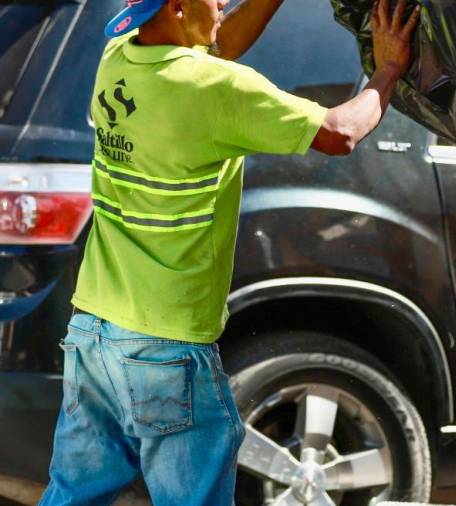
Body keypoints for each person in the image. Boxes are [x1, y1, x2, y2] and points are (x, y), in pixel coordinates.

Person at [40, 0, 419, 504]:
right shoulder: (213, 89)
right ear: (177, 8)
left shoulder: (118, 60)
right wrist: (389, 66)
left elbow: (215, 44)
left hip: (94, 333)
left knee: (73, 495)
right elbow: (340, 132)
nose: (223, 1)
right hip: (166, 346)